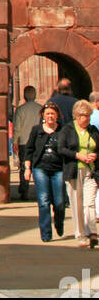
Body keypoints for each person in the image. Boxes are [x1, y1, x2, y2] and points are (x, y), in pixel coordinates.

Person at [24, 102, 67, 242]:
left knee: (59, 202)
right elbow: (29, 150)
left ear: (57, 116)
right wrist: (27, 168)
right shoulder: (37, 130)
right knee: (43, 201)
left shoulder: (63, 130)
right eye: (47, 113)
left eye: (52, 114)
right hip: (40, 168)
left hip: (58, 169)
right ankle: (46, 234)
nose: (50, 116)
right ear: (43, 114)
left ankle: (59, 223)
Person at [58, 99, 99, 248]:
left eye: (88, 115)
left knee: (89, 202)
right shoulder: (67, 129)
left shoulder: (93, 130)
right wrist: (78, 155)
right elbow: (61, 149)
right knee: (77, 203)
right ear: (76, 116)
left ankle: (92, 232)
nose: (86, 119)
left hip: (91, 171)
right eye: (83, 116)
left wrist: (95, 155)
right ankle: (81, 234)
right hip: (74, 170)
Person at [13, 85, 42, 199]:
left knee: (24, 167)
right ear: (35, 95)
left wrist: (15, 142)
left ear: (24, 96)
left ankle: (24, 191)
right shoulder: (40, 108)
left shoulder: (21, 109)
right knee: (38, 166)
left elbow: (17, 128)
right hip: (37, 141)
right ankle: (39, 189)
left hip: (24, 142)